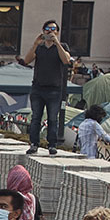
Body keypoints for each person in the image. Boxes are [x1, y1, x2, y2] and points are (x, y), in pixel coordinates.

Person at [19, 20, 74, 155]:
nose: (51, 31)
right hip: (38, 87)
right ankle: (34, 143)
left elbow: (66, 60)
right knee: (36, 117)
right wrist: (35, 44)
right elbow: (26, 60)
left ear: (57, 32)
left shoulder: (62, 46)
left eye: (54, 29)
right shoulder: (40, 47)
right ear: (43, 31)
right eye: (48, 29)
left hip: (54, 89)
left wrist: (57, 43)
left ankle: (52, 144)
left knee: (52, 118)